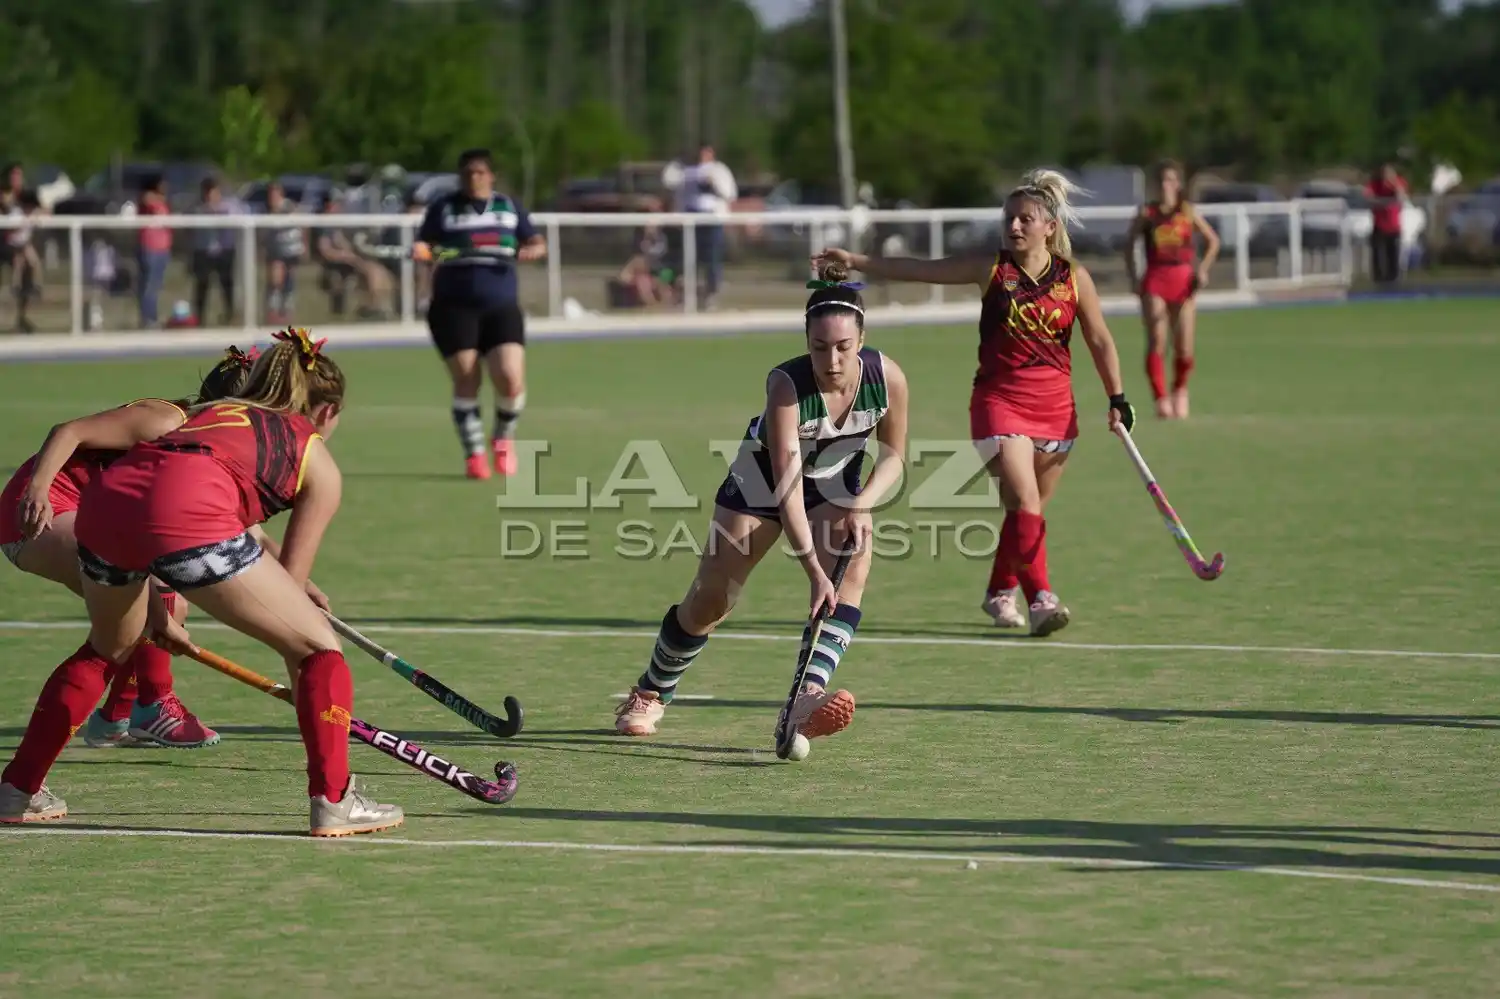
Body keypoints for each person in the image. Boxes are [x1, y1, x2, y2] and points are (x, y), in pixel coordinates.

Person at [0, 329, 403, 837]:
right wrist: (303, 636)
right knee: (318, 649)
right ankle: (334, 799)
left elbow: (194, 496)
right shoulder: (314, 455)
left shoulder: (207, 417)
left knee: (106, 648)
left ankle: (16, 789)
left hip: (104, 510)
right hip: (143, 513)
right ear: (324, 412)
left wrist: (160, 612)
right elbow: (288, 594)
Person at [813, 168, 1133, 636]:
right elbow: (922, 268)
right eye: (1009, 219)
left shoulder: (1074, 278)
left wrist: (1117, 397)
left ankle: (999, 590)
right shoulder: (992, 269)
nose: (1015, 227)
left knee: (1028, 514)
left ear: (1049, 225)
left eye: (1025, 219)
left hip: (1056, 409)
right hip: (999, 403)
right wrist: (855, 261)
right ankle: (1042, 598)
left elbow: (1100, 340)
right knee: (1024, 499)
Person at [614, 261, 908, 744]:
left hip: (834, 485)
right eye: (819, 348)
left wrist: (864, 502)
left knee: (853, 567)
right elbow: (788, 485)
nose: (832, 361)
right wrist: (813, 569)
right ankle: (651, 691)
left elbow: (894, 455)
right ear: (805, 340)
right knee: (712, 598)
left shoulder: (886, 377)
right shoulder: (786, 386)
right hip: (761, 482)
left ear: (862, 338)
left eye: (843, 347)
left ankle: (805, 700)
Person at [0, 346, 263, 749]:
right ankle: (152, 704)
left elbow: (244, 529)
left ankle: (118, 716)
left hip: (94, 516)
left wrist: (298, 583)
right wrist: (37, 490)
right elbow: (68, 431)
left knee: (162, 604)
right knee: (151, 597)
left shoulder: (209, 447)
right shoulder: (165, 421)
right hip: (44, 509)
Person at [414, 148, 546, 480]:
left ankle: (503, 437)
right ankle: (474, 454)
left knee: (510, 378)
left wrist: (532, 249)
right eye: (467, 173)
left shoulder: (509, 206)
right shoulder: (444, 207)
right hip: (453, 307)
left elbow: (537, 242)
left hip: (500, 305)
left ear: (491, 176)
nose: (474, 178)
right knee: (467, 378)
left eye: (480, 172)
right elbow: (424, 245)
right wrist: (424, 251)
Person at [1124, 159, 1220, 420]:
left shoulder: (1187, 212)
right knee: (1157, 338)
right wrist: (1135, 277)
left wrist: (1203, 270)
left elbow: (1213, 241)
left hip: (1183, 278)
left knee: (1184, 346)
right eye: (1163, 181)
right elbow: (1128, 244)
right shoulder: (1147, 214)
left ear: (1179, 185)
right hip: (1156, 277)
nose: (1167, 186)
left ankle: (1180, 390)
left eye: (1172, 181)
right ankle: (1160, 399)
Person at [1364, 163, 1408, 287]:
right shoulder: (1375, 185)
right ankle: (1378, 281)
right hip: (1379, 226)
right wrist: (1382, 202)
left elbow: (1401, 197)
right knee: (1378, 254)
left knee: (1393, 255)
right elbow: (1369, 198)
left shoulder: (1398, 183)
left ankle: (1393, 281)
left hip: (1394, 226)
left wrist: (1394, 185)